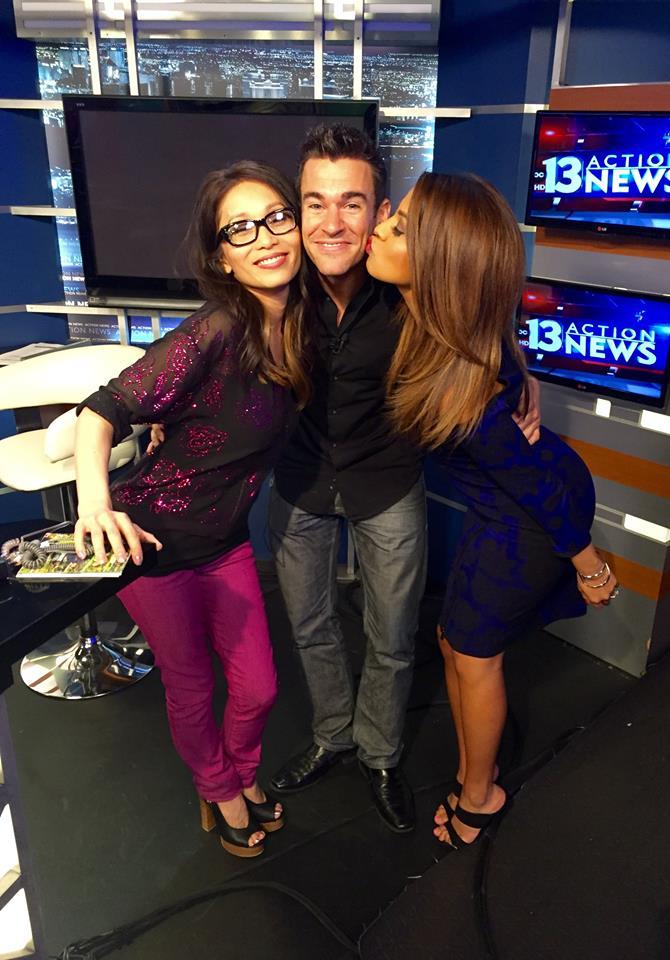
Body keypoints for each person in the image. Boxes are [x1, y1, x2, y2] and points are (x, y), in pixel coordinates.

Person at [267, 125, 540, 835]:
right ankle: (333, 735)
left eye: (352, 203)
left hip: (386, 482)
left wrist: (518, 371)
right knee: (310, 625)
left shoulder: (405, 284)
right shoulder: (275, 282)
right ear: (298, 208)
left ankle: (381, 754)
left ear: (380, 211)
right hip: (299, 480)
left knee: (391, 635)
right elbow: (214, 347)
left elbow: (473, 310)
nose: (332, 223)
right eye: (316, 203)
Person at [365, 171, 618, 847]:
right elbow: (496, 339)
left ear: (438, 265)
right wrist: (524, 374)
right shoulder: (440, 326)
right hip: (502, 506)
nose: (379, 229)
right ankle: (471, 769)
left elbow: (538, 488)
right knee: (452, 640)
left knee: (475, 653)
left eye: (399, 227)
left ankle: (481, 795)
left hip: (532, 520)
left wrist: (590, 565)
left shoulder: (467, 391)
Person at [73, 161, 310, 858]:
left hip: (225, 541)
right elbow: (102, 409)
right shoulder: (214, 332)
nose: (266, 236)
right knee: (191, 684)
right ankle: (221, 788)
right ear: (222, 258)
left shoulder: (304, 326)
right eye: (241, 228)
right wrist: (95, 503)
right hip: (152, 544)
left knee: (259, 688)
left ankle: (237, 771)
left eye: (277, 217)